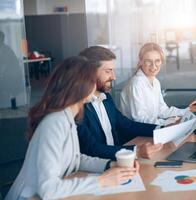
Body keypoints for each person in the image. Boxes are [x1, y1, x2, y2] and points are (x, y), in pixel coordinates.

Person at [5, 57, 138, 200]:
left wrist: (110, 165)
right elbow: (48, 190)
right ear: (81, 86)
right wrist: (101, 181)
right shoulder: (55, 123)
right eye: (92, 81)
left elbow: (76, 159)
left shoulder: (68, 117)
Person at [77, 46, 163, 160]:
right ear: (89, 73)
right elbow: (92, 148)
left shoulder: (105, 97)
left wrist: (161, 129)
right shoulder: (77, 106)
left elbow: (127, 126)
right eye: (108, 71)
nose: (114, 77)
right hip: (98, 168)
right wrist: (136, 151)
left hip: (118, 162)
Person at [120, 42, 189, 126]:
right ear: (141, 61)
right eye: (148, 61)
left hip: (150, 129)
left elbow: (162, 110)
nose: (154, 66)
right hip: (135, 135)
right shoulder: (136, 84)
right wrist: (167, 123)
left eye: (157, 61)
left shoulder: (155, 82)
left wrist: (188, 111)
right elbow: (139, 119)